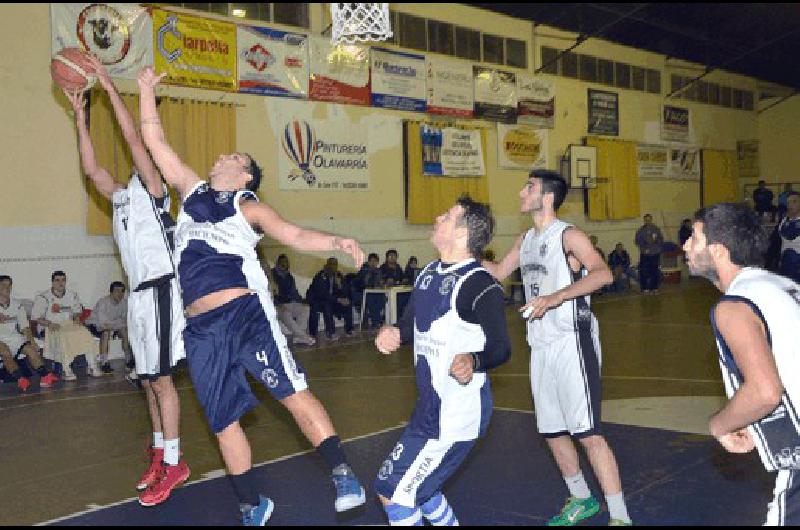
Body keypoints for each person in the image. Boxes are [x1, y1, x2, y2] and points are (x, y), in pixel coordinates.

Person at [138, 66, 367, 525]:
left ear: (245, 177)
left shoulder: (248, 207)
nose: (221, 155)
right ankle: (251, 504)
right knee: (222, 422)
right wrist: (145, 92)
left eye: (233, 156)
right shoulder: (192, 191)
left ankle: (343, 473)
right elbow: (155, 142)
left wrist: (337, 243)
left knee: (290, 393)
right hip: (200, 329)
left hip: (244, 315)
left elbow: (295, 234)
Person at [64, 58, 189, 507]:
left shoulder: (154, 189)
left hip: (159, 290)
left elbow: (132, 136)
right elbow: (92, 168)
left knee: (162, 380)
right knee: (147, 381)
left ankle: (175, 461)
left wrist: (108, 86)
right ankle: (159, 451)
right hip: (138, 298)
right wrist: (81, 117)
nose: (136, 158)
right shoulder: (121, 198)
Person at [483, 170, 632, 526]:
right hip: (541, 343)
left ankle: (621, 517)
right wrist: (459, 258)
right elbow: (498, 271)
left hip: (572, 339)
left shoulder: (569, 235)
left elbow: (603, 274)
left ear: (547, 197)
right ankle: (582, 499)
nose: (522, 192)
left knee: (587, 432)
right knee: (551, 431)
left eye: (529, 187)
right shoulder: (525, 240)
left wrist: (556, 297)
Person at [375, 196, 511, 526]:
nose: (437, 216)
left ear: (463, 233)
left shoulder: (479, 284)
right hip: (430, 409)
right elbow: (411, 325)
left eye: (447, 216)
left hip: (456, 414)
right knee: (422, 491)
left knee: (392, 491)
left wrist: (474, 360)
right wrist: (394, 331)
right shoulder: (427, 273)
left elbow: (501, 348)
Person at [683, 202, 800, 526]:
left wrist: (720, 425)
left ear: (718, 251)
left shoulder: (735, 305)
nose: (685, 246)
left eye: (694, 238)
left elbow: (765, 392)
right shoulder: (782, 286)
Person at [31, 270, 99, 380]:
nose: (60, 283)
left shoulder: (72, 295)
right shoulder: (43, 297)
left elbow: (78, 311)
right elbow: (35, 317)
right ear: (52, 282)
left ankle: (92, 366)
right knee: (63, 336)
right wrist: (49, 323)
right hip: (49, 326)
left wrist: (77, 317)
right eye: (57, 280)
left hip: (69, 324)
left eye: (63, 280)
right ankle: (66, 369)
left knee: (85, 333)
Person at [0, 275, 59, 392]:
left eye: (9, 285)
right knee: (5, 351)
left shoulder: (17, 305)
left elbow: (25, 327)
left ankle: (45, 376)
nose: (7, 288)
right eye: (3, 285)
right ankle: (20, 380)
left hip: (13, 337)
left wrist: (32, 342)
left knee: (31, 350)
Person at [85, 281, 133, 376]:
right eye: (117, 291)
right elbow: (103, 324)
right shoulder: (103, 302)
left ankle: (128, 359)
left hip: (113, 326)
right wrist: (118, 323)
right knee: (106, 332)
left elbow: (126, 320)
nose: (120, 294)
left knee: (125, 331)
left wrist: (118, 324)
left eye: (122, 291)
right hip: (94, 325)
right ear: (111, 292)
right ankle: (104, 362)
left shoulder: (124, 303)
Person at [271, 255, 316, 347]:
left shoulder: (289, 277)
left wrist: (302, 301)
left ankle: (298, 337)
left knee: (305, 308)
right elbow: (268, 294)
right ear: (277, 263)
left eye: (286, 262)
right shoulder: (271, 275)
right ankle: (304, 337)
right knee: (286, 313)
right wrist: (278, 304)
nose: (284, 264)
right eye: (282, 262)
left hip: (289, 303)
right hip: (275, 305)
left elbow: (294, 292)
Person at [308, 258, 355, 341]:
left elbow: (346, 292)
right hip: (318, 300)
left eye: (335, 265)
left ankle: (349, 330)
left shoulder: (338, 275)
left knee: (348, 303)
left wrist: (340, 285)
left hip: (332, 300)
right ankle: (330, 332)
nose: (333, 267)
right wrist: (338, 299)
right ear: (327, 265)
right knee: (327, 305)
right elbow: (323, 294)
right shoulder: (321, 276)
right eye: (331, 264)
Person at [635, 214, 664, 294]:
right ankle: (644, 288)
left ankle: (654, 288)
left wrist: (656, 243)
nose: (648, 221)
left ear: (651, 220)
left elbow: (661, 239)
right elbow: (637, 241)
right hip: (645, 254)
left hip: (655, 253)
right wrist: (645, 246)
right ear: (644, 221)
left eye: (649, 220)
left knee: (654, 271)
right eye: (646, 220)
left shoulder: (656, 229)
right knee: (644, 271)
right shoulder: (641, 230)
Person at [355, 253, 385, 329]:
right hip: (362, 293)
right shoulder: (364, 270)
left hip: (375, 292)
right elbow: (363, 283)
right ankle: (376, 322)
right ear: (368, 262)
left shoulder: (378, 271)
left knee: (383, 298)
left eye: (375, 261)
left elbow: (380, 282)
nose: (373, 263)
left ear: (378, 262)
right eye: (371, 261)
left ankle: (377, 320)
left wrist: (382, 283)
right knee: (372, 299)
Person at [776, 192, 800, 284]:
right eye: (789, 202)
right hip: (785, 268)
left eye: (794, 201)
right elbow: (775, 245)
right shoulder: (783, 221)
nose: (791, 205)